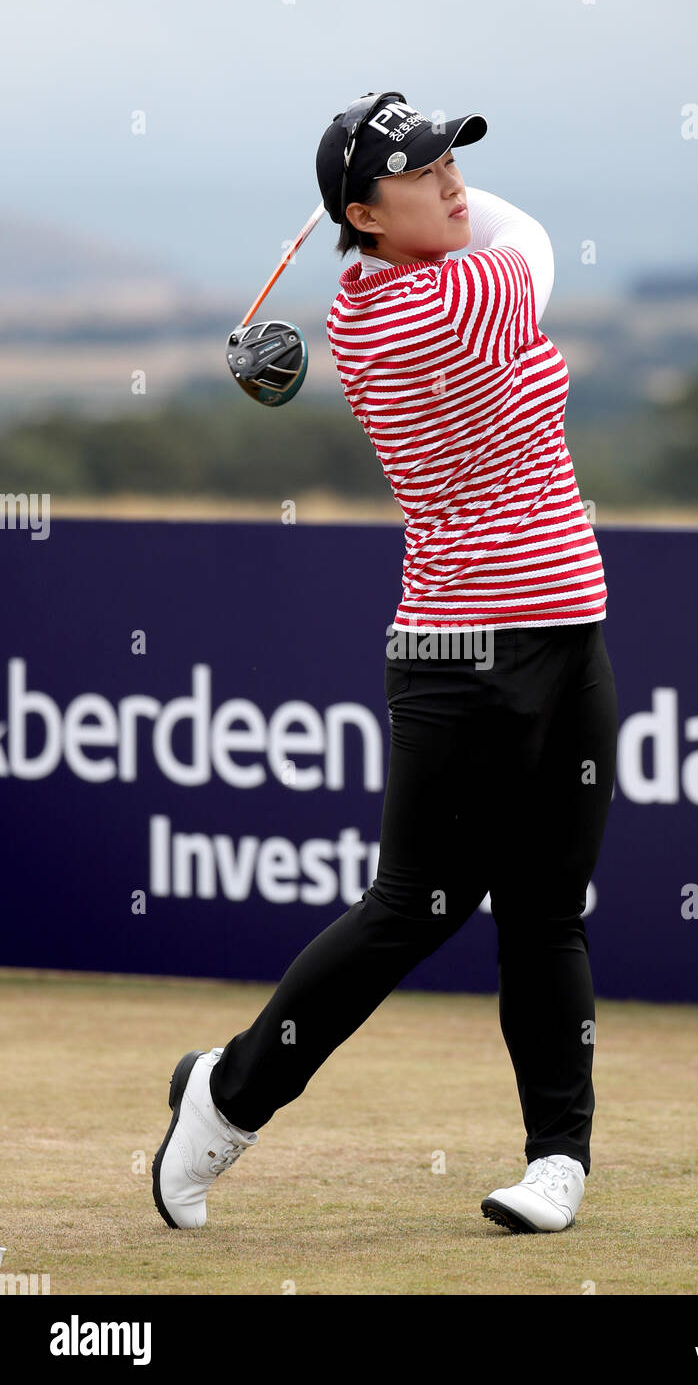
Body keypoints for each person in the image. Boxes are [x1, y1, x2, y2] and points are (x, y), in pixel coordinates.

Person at [153, 92, 618, 1236]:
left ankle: (556, 1160)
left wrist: (372, 187)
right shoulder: (425, 309)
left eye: (456, 161)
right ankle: (226, 1098)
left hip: (567, 628)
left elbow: (474, 219)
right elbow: (536, 240)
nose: (455, 182)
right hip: (461, 652)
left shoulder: (381, 282)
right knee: (415, 905)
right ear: (362, 213)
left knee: (547, 911)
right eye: (424, 172)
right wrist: (359, 205)